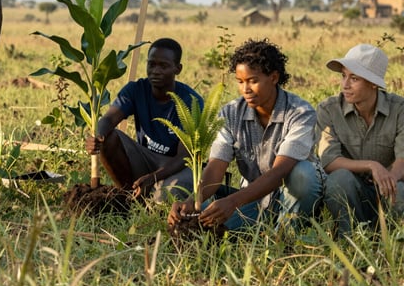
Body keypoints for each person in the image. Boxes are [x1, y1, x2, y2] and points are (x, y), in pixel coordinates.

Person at [168, 39, 324, 232]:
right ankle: (258, 227)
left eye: (253, 81)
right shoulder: (231, 113)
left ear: (274, 77)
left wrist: (233, 202)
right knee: (201, 225)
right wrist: (193, 201)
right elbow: (216, 167)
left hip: (293, 197)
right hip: (254, 199)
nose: (245, 90)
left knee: (303, 174)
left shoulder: (300, 113)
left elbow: (280, 172)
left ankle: (286, 236)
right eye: (240, 82)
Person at [85, 37, 203, 200]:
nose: (155, 71)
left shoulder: (191, 101)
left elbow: (184, 157)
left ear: (178, 69)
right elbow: (108, 120)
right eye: (151, 64)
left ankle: (152, 195)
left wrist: (153, 178)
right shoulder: (136, 90)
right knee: (109, 138)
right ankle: (128, 196)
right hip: (145, 157)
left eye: (163, 66)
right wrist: (96, 136)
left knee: (164, 196)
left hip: (177, 165)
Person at [317, 43, 404, 236]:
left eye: (354, 78)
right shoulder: (329, 109)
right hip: (353, 190)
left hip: (388, 190)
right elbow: (329, 160)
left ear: (373, 83)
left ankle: (391, 242)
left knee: (400, 191)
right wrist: (372, 165)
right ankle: (349, 239)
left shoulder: (399, 109)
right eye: (343, 76)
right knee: (338, 179)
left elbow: (402, 157)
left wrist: (390, 178)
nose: (345, 85)